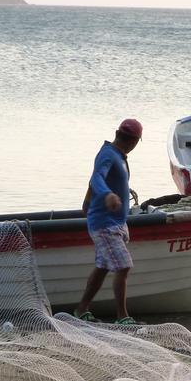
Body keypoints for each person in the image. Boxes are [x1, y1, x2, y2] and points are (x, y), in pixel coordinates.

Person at [74, 118, 143, 326]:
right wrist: (107, 195)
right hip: (105, 224)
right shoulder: (108, 154)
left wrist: (87, 201)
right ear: (136, 141)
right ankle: (122, 317)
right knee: (123, 266)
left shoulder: (118, 156)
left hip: (117, 222)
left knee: (103, 267)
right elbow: (97, 178)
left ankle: (81, 309)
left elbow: (93, 180)